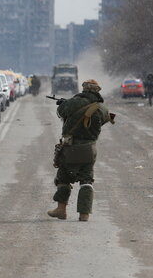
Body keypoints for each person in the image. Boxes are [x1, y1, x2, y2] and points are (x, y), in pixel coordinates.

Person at [47, 79, 115, 222]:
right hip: (90, 149)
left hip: (71, 148)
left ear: (84, 89)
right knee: (86, 180)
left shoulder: (75, 101)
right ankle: (84, 214)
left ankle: (61, 209)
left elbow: (61, 112)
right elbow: (104, 120)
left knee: (63, 178)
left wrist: (64, 104)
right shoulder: (101, 108)